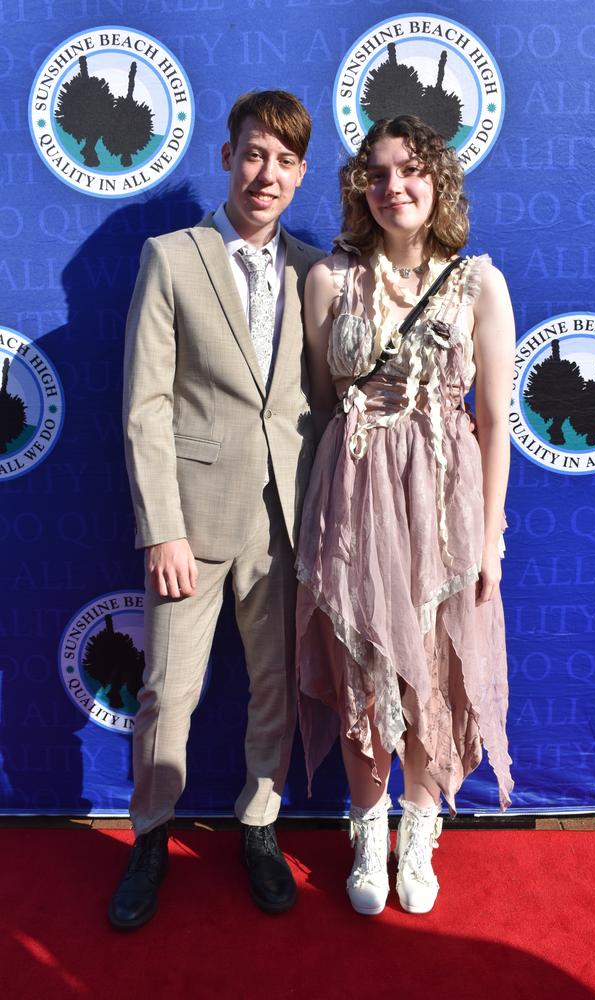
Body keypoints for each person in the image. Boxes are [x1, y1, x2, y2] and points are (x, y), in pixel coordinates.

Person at [110, 90, 323, 929]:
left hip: (287, 521)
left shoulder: (318, 268)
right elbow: (145, 406)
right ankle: (151, 833)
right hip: (191, 523)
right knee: (168, 691)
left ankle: (260, 827)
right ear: (227, 157)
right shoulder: (171, 257)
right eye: (254, 154)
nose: (266, 174)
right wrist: (162, 525)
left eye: (284, 161)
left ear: (302, 175)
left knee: (275, 687)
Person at [296, 115, 515, 916]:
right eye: (379, 174)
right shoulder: (329, 280)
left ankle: (419, 829)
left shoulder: (478, 282)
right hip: (353, 497)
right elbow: (326, 406)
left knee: (431, 668)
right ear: (362, 187)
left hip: (445, 501)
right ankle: (367, 827)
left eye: (412, 172)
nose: (395, 188)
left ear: (439, 183)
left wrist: (489, 534)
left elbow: (494, 422)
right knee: (361, 663)